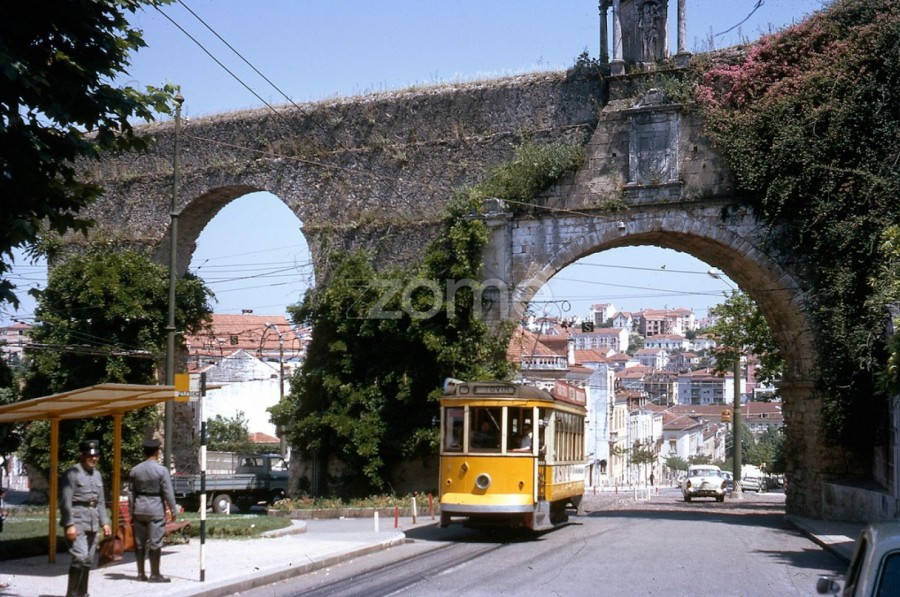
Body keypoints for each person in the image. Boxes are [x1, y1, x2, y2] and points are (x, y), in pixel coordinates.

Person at [60, 439, 111, 597]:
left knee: (88, 558)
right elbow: (65, 501)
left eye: (96, 456)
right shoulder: (72, 473)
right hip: (77, 520)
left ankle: (83, 593)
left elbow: (100, 501)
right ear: (81, 455)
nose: (93, 459)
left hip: (93, 520)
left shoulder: (97, 475)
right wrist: (69, 524)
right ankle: (71, 594)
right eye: (90, 456)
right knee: (80, 556)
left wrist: (105, 522)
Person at [129, 438, 178, 583]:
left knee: (139, 543)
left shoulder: (135, 470)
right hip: (155, 508)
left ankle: (140, 574)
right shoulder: (162, 470)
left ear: (144, 452)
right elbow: (168, 492)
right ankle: (155, 574)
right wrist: (173, 510)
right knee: (155, 542)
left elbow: (131, 493)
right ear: (157, 452)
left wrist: (132, 511)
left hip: (139, 508)